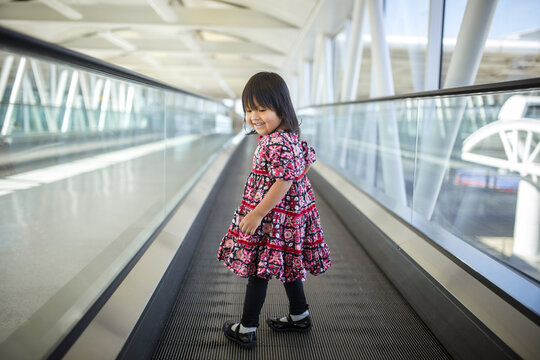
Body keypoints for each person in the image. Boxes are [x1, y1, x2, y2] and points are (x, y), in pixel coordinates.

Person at [217, 72, 331, 349]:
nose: (254, 116)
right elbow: (303, 164)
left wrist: (257, 213)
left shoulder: (277, 142)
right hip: (286, 217)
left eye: (262, 109)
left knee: (259, 270)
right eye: (248, 109)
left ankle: (246, 328)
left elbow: (284, 180)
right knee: (289, 263)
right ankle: (299, 314)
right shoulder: (287, 137)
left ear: (281, 108)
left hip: (272, 219)